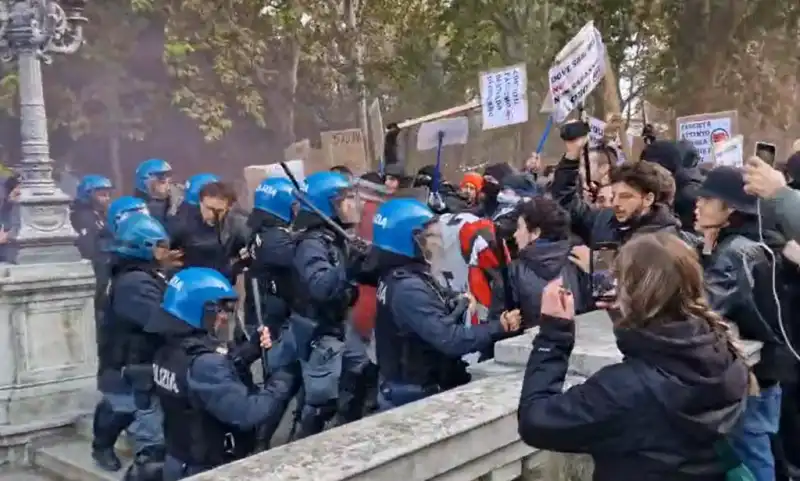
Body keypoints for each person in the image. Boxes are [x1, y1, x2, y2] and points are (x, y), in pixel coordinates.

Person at [518, 232, 752, 481]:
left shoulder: (624, 389)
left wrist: (553, 337)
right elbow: (667, 356)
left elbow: (537, 421)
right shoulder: (723, 352)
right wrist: (626, 319)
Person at [373, 198, 519, 410]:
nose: (439, 242)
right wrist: (500, 326)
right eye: (431, 237)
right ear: (409, 241)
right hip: (413, 397)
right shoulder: (408, 289)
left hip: (409, 386)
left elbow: (433, 298)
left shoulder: (401, 275)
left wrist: (455, 298)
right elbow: (450, 340)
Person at [147, 267, 291, 480]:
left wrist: (247, 352)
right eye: (219, 310)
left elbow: (200, 382)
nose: (224, 317)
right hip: (208, 468)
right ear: (198, 309)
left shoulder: (166, 346)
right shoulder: (205, 364)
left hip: (179, 458)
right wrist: (283, 379)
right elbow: (248, 413)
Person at [695, 166, 791, 481]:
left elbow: (706, 308)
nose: (698, 205)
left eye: (708, 199)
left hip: (749, 373)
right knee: (763, 446)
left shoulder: (733, 253)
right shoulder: (761, 241)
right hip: (771, 368)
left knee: (751, 452)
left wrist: (708, 251)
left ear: (731, 208)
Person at [284, 171, 373, 438]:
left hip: (339, 324)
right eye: (343, 200)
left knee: (362, 372)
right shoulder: (311, 244)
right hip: (320, 331)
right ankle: (304, 448)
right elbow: (321, 287)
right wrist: (348, 264)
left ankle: (348, 432)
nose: (351, 206)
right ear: (326, 206)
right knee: (322, 403)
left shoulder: (335, 237)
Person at [92, 213, 169, 472]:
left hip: (129, 360)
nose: (165, 250)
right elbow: (158, 319)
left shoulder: (136, 273)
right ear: (142, 246)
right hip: (127, 362)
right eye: (159, 244)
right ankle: (104, 447)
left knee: (121, 406)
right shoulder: (135, 282)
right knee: (126, 411)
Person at [244, 177, 303, 446]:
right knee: (282, 382)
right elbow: (298, 260)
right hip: (275, 319)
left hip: (268, 313)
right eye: (293, 204)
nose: (296, 210)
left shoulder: (260, 230)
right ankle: (260, 440)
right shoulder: (275, 239)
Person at [551, 131, 680, 246]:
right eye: (614, 195)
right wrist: (571, 157)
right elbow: (567, 203)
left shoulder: (665, 241)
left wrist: (591, 265)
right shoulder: (604, 220)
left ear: (648, 199)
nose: (616, 203)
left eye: (625, 196)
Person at [487, 197, 592, 331]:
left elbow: (497, 325)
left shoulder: (513, 272)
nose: (515, 235)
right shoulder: (581, 262)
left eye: (520, 228)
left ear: (535, 233)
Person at [168, 181, 249, 281]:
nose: (212, 215)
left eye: (219, 211)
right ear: (200, 202)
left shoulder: (237, 223)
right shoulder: (181, 222)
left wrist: (235, 268)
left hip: (222, 283)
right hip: (190, 282)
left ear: (229, 208)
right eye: (208, 208)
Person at [133, 158, 174, 224]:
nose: (167, 182)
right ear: (144, 180)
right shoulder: (135, 209)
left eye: (168, 176)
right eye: (161, 178)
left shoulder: (173, 201)